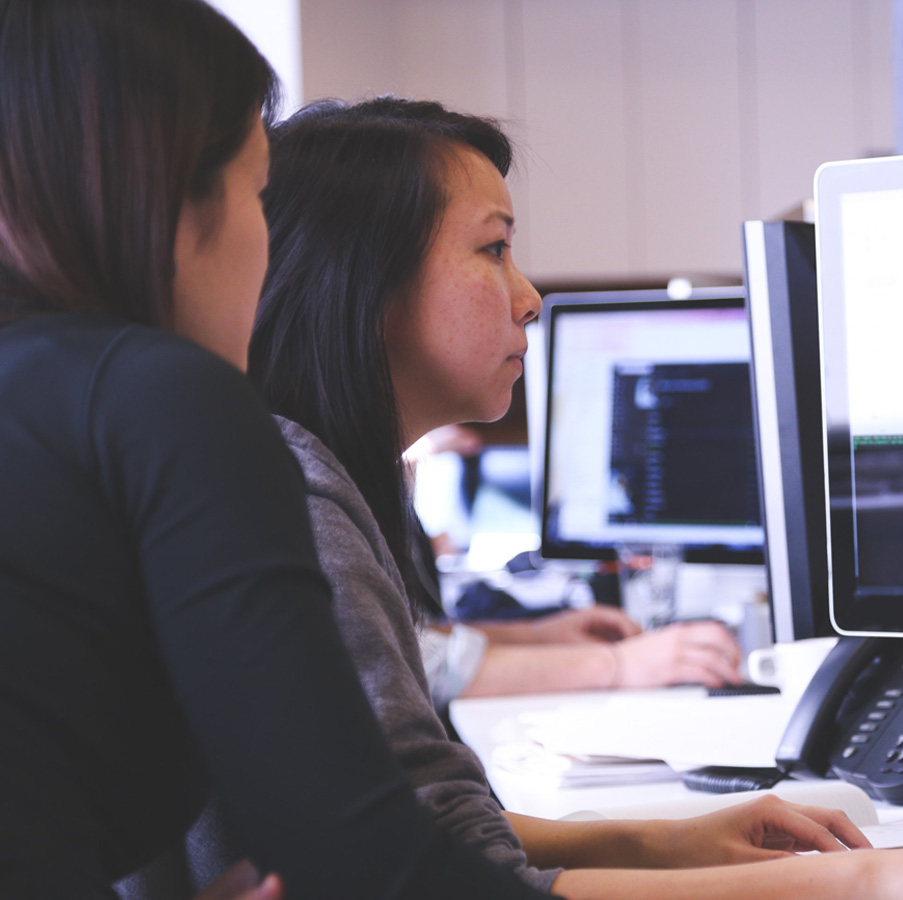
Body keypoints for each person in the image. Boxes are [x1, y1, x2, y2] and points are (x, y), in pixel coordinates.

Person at [239, 96, 903, 900]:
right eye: (493, 249)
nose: (530, 298)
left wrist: (666, 840)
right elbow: (454, 885)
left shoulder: (317, 483)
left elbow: (425, 831)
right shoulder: (296, 502)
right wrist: (866, 882)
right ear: (365, 281)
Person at [0, 2, 561, 899]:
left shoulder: (45, 394)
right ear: (170, 198)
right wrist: (852, 885)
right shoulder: (161, 398)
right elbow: (371, 866)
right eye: (255, 197)